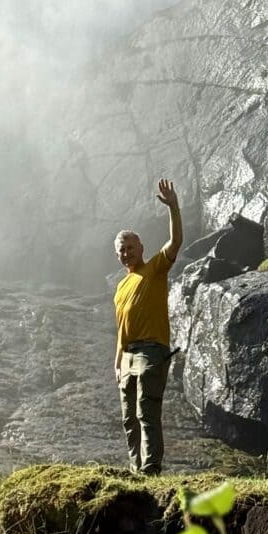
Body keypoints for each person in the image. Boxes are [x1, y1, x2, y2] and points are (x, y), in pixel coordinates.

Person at [113, 177, 182, 475]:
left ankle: (151, 470)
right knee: (129, 417)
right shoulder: (120, 287)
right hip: (127, 356)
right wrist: (117, 362)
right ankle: (135, 469)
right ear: (118, 256)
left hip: (152, 350)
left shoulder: (154, 268)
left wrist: (174, 207)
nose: (127, 253)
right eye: (122, 250)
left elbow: (176, 242)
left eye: (130, 247)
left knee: (146, 409)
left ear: (140, 247)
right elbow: (122, 328)